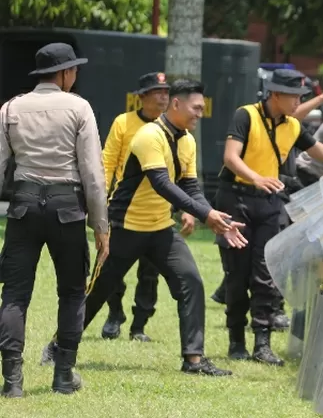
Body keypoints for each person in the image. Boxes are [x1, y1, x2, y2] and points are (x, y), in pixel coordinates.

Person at [71, 79, 243, 376]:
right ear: (177, 104)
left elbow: (190, 185)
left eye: (202, 108)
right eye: (197, 107)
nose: (200, 113)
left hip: (161, 228)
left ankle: (194, 360)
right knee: (98, 291)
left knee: (191, 282)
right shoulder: (148, 135)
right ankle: (60, 346)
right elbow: (161, 183)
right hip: (125, 227)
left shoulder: (187, 139)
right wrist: (205, 215)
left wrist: (212, 213)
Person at [217, 69, 323, 367]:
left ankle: (262, 343)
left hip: (269, 203)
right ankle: (236, 340)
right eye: (295, 97)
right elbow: (230, 157)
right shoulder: (245, 116)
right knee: (237, 273)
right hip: (236, 199)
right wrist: (257, 178)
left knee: (265, 273)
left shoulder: (292, 126)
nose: (298, 102)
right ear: (275, 94)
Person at [0, 43, 108, 397]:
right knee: (73, 292)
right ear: (64, 73)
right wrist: (101, 226)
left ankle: (12, 382)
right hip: (67, 207)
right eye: (74, 69)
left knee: (15, 294)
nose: (76, 76)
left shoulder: (11, 108)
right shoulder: (79, 107)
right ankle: (63, 375)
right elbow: (93, 174)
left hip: (24, 203)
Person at [100, 72, 176, 342]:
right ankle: (114, 313)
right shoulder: (123, 122)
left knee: (150, 272)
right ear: (142, 96)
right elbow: (108, 162)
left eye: (166, 91)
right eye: (157, 91)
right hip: (123, 210)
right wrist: (99, 201)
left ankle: (139, 326)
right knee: (111, 267)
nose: (163, 96)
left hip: (158, 212)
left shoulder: (173, 127)